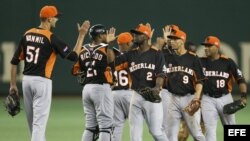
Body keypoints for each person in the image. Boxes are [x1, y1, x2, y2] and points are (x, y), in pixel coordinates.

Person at [9, 5, 90, 141]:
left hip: (26, 81)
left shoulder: (27, 34)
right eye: (55, 17)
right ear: (49, 19)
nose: (57, 20)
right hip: (42, 82)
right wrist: (81, 35)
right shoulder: (50, 37)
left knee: (32, 124)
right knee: (39, 125)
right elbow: (74, 56)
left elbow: (14, 62)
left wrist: (12, 85)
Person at [109, 24, 168, 141]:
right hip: (136, 96)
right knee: (135, 135)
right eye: (134, 33)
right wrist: (108, 44)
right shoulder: (130, 54)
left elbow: (161, 73)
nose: (134, 36)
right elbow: (112, 62)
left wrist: (157, 87)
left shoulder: (156, 53)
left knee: (156, 132)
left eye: (138, 34)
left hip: (152, 95)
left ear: (146, 37)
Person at [72, 24, 116, 141]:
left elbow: (76, 70)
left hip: (86, 89)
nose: (107, 35)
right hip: (100, 87)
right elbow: (111, 61)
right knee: (106, 127)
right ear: (101, 35)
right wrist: (110, 44)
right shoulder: (105, 48)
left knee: (90, 127)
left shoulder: (83, 49)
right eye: (105, 34)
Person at [161, 30, 206, 141]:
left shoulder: (193, 58)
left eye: (175, 39)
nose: (172, 41)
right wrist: (165, 41)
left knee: (197, 134)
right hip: (173, 99)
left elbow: (200, 81)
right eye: (171, 39)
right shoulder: (167, 57)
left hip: (189, 98)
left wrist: (196, 97)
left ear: (182, 41)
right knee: (171, 135)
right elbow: (158, 53)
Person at [200, 36, 247, 141]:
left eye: (209, 46)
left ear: (216, 47)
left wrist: (243, 96)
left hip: (225, 98)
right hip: (207, 99)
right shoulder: (200, 62)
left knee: (232, 128)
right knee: (209, 131)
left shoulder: (228, 62)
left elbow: (241, 79)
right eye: (205, 46)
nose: (206, 48)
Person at [112, 32, 134, 141]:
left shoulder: (112, 56)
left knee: (116, 126)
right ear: (129, 43)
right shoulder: (133, 55)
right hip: (129, 94)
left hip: (114, 94)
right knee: (135, 124)